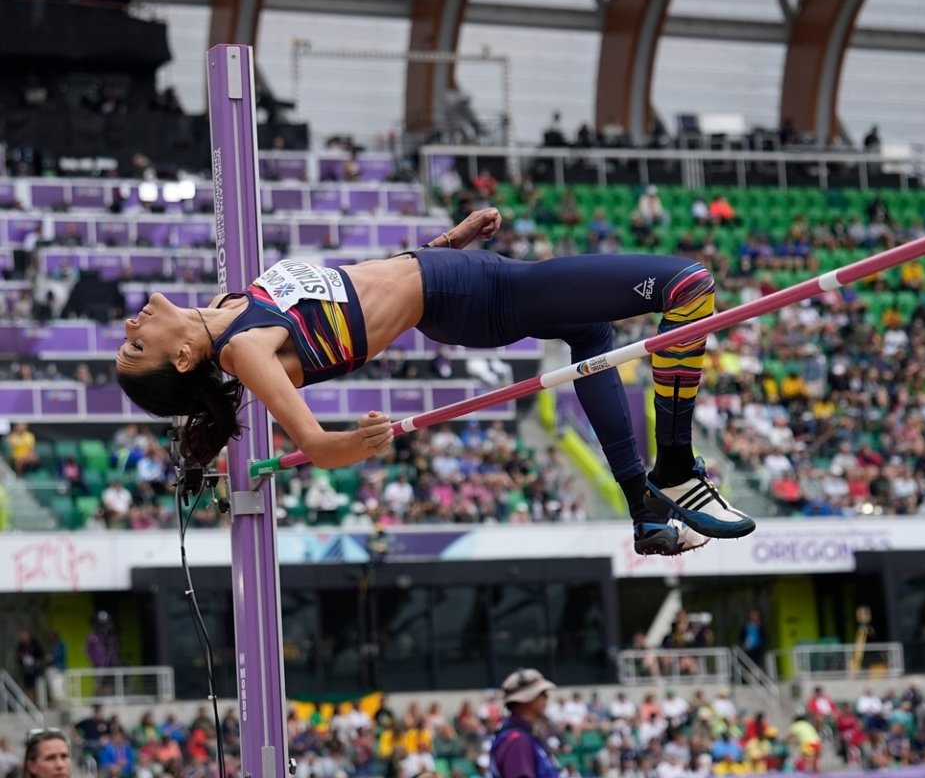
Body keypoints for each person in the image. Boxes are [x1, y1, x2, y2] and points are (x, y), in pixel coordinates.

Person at [115, 209, 755, 556]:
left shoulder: (234, 303)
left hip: (456, 275)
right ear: (177, 361)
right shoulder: (245, 347)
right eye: (134, 346)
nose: (130, 322)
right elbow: (312, 442)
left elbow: (361, 288)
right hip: (474, 297)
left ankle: (643, 512)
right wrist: (364, 438)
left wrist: (446, 242)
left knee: (591, 337)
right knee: (687, 286)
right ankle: (672, 467)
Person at [489, 669, 558, 778]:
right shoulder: (517, 741)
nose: (546, 697)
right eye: (542, 693)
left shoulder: (525, 734)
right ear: (526, 700)